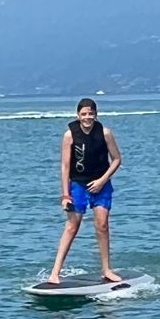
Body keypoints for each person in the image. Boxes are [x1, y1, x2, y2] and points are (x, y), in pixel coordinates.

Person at [44, 97, 123, 286]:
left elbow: (117, 159)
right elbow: (65, 166)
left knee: (102, 225)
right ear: (78, 115)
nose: (87, 117)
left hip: (101, 185)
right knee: (72, 226)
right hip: (78, 185)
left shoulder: (105, 133)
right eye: (84, 114)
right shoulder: (70, 135)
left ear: (96, 114)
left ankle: (107, 269)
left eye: (90, 114)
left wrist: (102, 180)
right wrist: (65, 195)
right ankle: (55, 273)